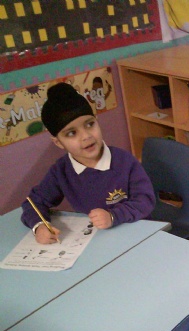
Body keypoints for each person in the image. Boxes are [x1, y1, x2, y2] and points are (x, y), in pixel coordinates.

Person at [21, 82, 155, 244]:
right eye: (72, 133)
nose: (86, 136)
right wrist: (39, 226)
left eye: (90, 124)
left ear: (97, 121)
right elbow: (33, 203)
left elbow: (145, 201)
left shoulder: (124, 161)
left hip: (138, 235)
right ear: (58, 142)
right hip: (98, 241)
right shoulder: (61, 171)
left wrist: (113, 216)